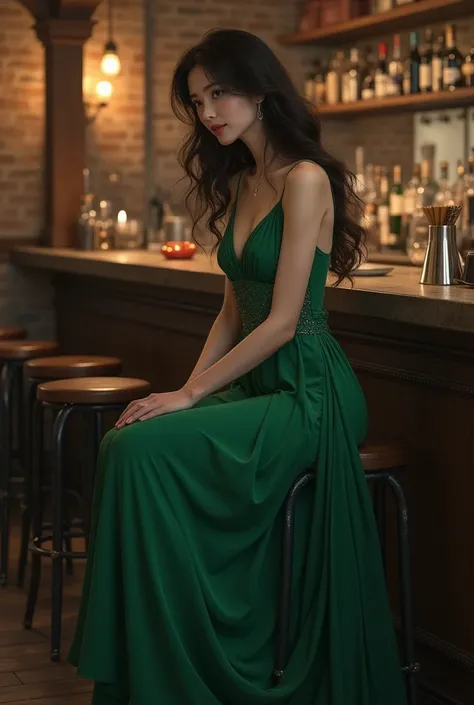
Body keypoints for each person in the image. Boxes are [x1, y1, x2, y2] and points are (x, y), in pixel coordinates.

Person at [68, 28, 407, 705]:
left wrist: (191, 395)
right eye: (197, 101)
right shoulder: (243, 182)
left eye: (218, 93)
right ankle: (151, 665)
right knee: (125, 442)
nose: (208, 112)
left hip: (309, 388)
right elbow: (230, 315)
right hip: (256, 381)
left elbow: (282, 321)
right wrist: (177, 390)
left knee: (141, 453)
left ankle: (181, 665)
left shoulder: (306, 179)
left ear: (259, 89)